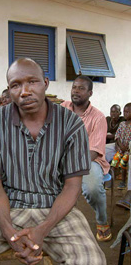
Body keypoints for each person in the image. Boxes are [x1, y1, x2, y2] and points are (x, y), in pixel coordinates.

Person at [0, 58, 106, 265]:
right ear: (9, 91)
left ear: (45, 83)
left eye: (32, 82)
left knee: (91, 261)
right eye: (15, 85)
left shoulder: (71, 124)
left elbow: (72, 187)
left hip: (55, 209)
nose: (24, 91)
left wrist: (43, 229)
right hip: (7, 208)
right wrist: (8, 231)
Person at [61, 75, 112, 242]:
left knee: (92, 188)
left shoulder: (98, 117)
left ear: (90, 93)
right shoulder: (62, 109)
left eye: (81, 88)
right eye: (74, 87)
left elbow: (95, 151)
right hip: (64, 158)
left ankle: (102, 220)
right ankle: (60, 220)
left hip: (89, 160)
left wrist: (71, 165)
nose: (76, 90)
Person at [110, 103, 131, 191]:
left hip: (127, 150)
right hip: (120, 148)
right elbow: (117, 136)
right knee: (114, 163)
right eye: (124, 112)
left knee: (124, 165)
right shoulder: (122, 124)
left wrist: (126, 146)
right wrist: (120, 145)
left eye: (127, 112)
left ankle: (123, 181)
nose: (125, 114)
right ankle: (111, 180)